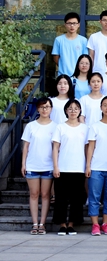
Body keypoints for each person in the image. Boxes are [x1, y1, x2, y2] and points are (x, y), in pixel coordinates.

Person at [51, 99, 89, 235]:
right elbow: (55, 148)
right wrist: (55, 166)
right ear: (66, 111)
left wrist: (87, 166)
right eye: (70, 108)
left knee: (77, 198)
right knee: (61, 198)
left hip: (79, 167)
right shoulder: (60, 127)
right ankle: (62, 224)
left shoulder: (85, 128)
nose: (73, 111)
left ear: (80, 111)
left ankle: (72, 224)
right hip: (63, 167)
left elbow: (87, 148)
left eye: (76, 108)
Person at [21, 97, 58, 235]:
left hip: (48, 165)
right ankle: (34, 223)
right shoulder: (31, 126)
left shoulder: (56, 126)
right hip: (32, 165)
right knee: (34, 194)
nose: (44, 109)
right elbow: (26, 147)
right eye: (42, 107)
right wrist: (23, 164)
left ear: (51, 109)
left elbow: (57, 148)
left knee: (45, 194)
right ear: (37, 109)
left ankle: (42, 224)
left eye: (47, 107)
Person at [85, 96, 107, 236]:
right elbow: (91, 147)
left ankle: (105, 224)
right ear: (101, 107)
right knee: (94, 197)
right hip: (96, 167)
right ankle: (95, 225)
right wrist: (88, 165)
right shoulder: (95, 126)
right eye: (105, 105)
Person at [52, 12, 88, 76]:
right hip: (63, 76)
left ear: (78, 25)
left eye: (74, 23)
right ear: (65, 25)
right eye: (69, 23)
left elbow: (85, 58)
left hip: (79, 76)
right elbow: (56, 58)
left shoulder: (83, 40)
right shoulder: (59, 40)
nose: (72, 26)